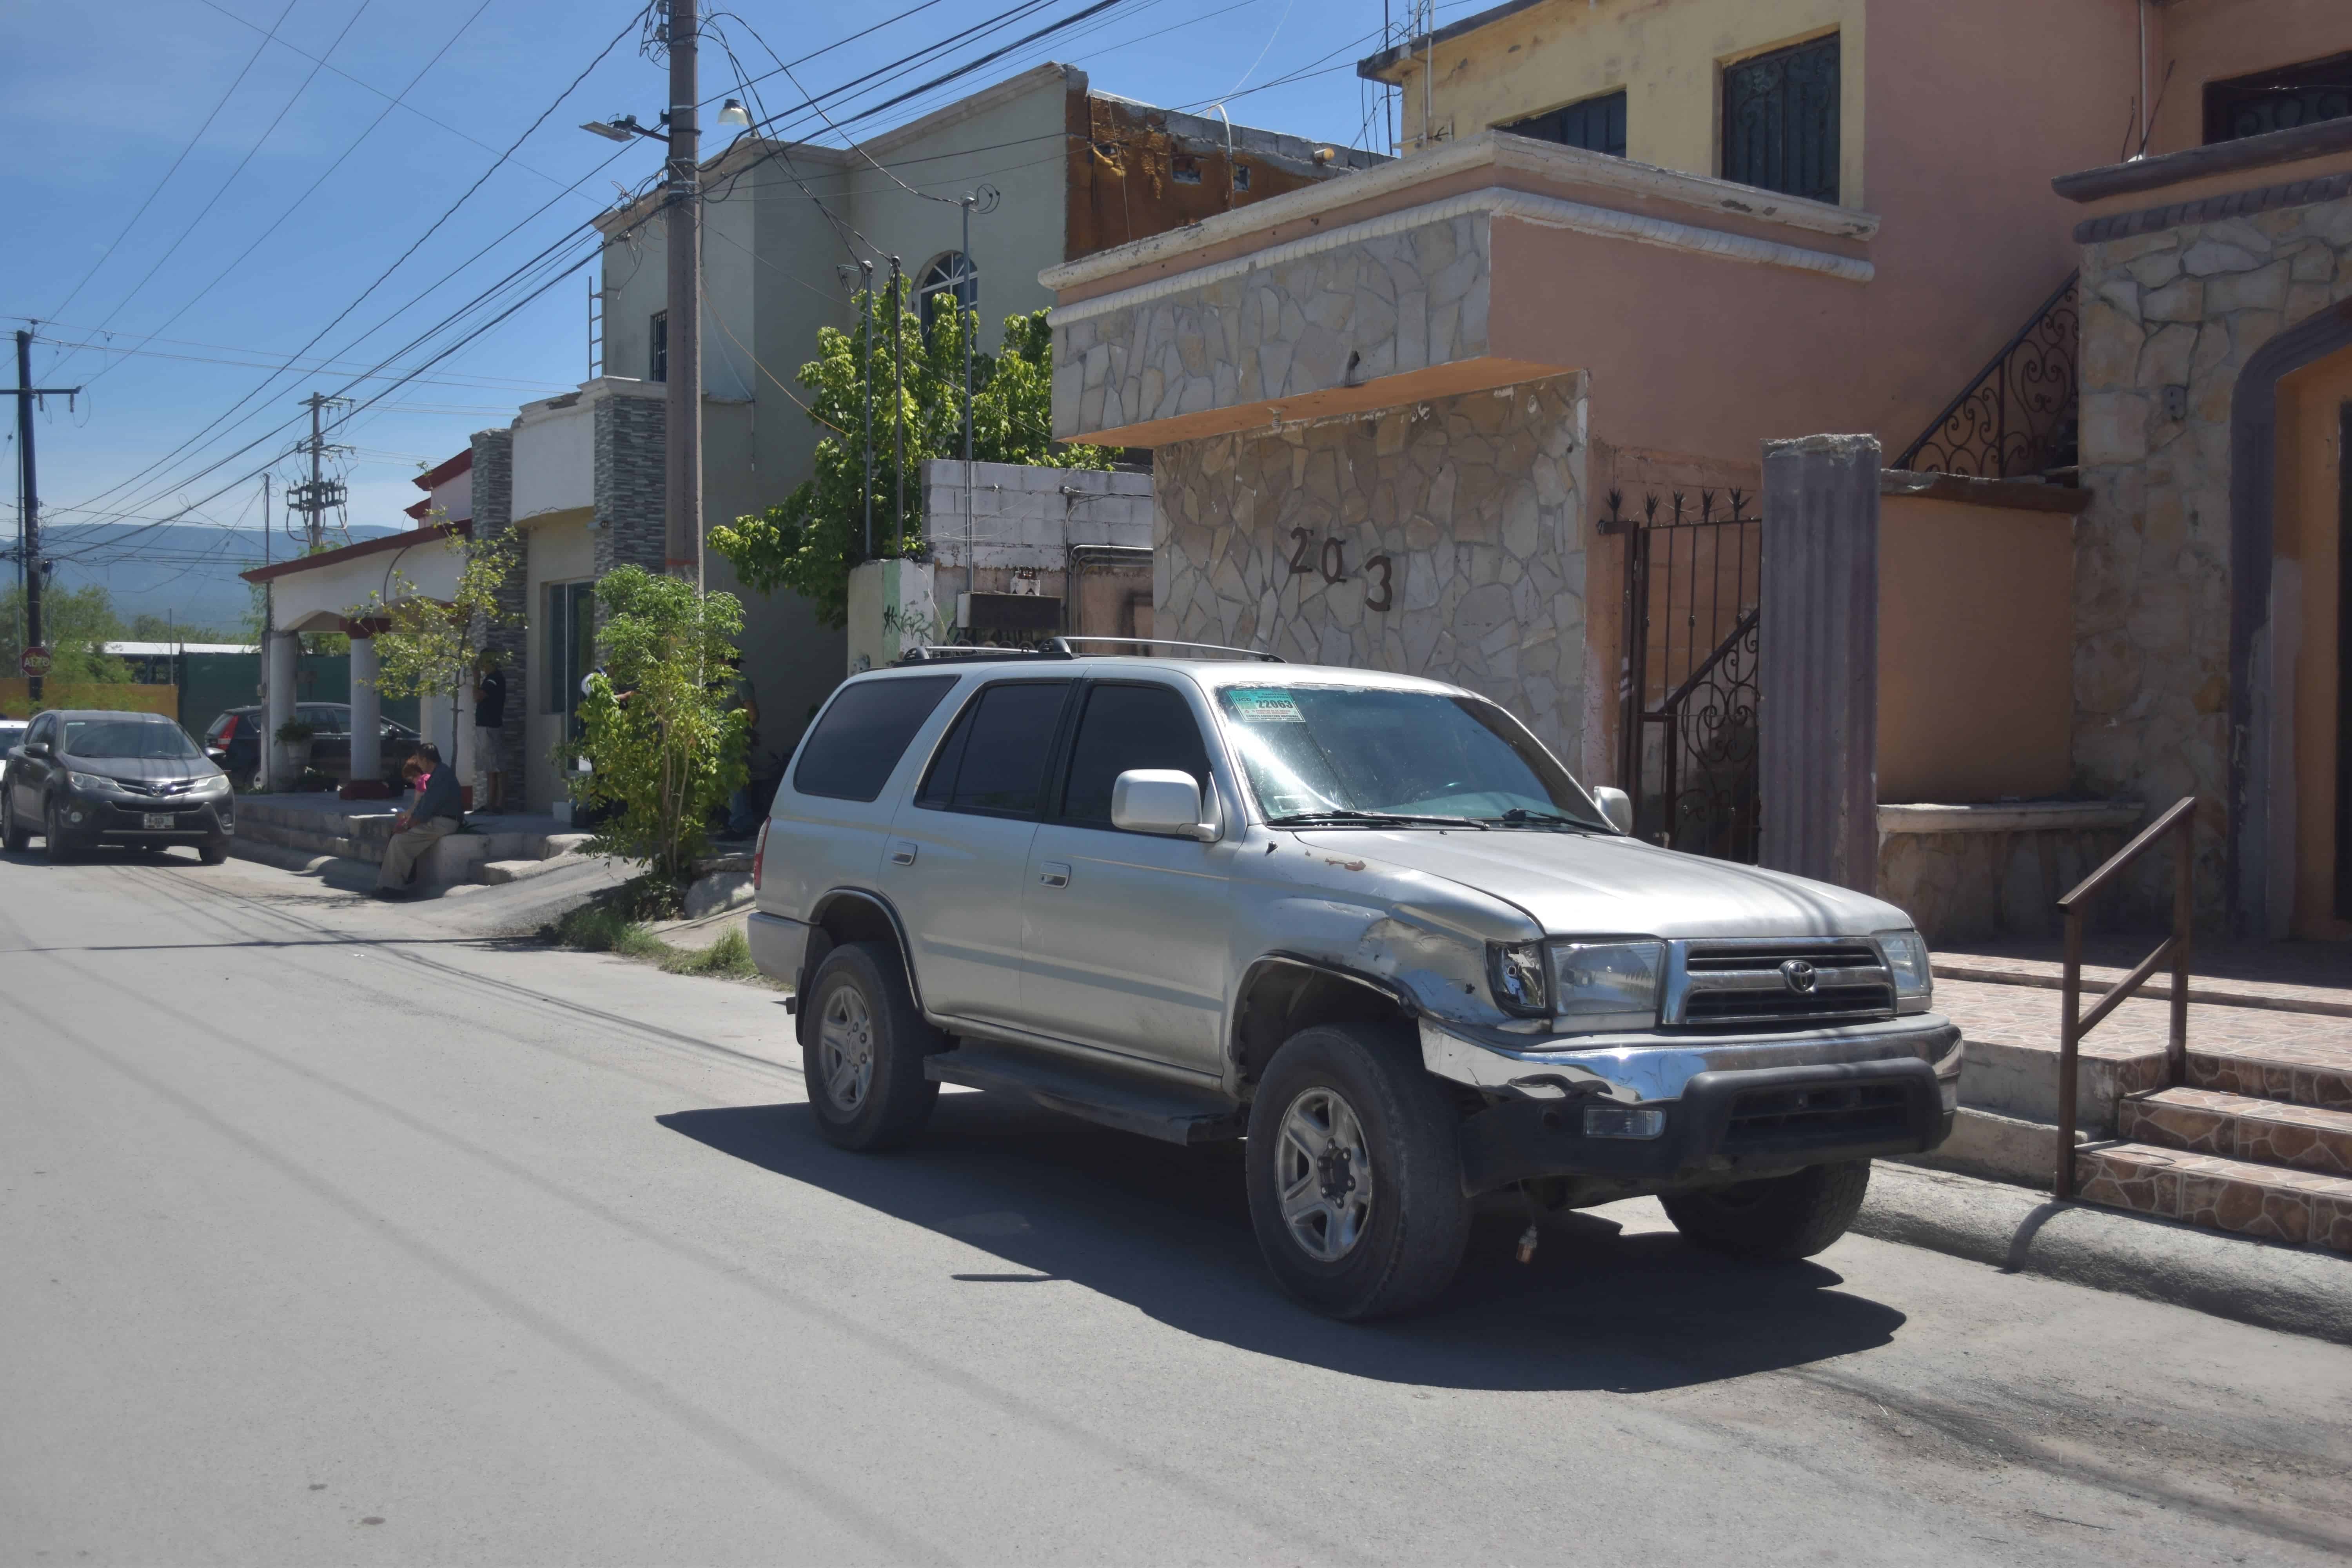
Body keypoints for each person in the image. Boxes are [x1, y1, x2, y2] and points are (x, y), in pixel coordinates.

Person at [375, 742, 465, 898]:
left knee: (400, 841)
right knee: (399, 839)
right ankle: (388, 885)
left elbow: (427, 809)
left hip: (444, 822)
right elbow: (424, 806)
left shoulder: (441, 776)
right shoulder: (439, 774)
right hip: (439, 820)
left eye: (419, 760)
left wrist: (407, 826)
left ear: (425, 760)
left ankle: (393, 888)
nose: (418, 763)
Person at [722, 656, 763, 838]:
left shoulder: (739, 681)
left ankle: (741, 825)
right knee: (730, 783)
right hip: (723, 741)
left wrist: (740, 736)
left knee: (735, 784)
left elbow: (753, 714)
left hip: (733, 741)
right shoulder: (723, 683)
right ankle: (737, 822)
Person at [472, 653, 509, 814]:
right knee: (491, 767)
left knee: (497, 767)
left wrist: (476, 680)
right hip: (485, 728)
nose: (481, 667)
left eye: (483, 663)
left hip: (491, 728)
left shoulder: (494, 679)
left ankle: (499, 804)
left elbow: (477, 697)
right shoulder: (490, 679)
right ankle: (491, 804)